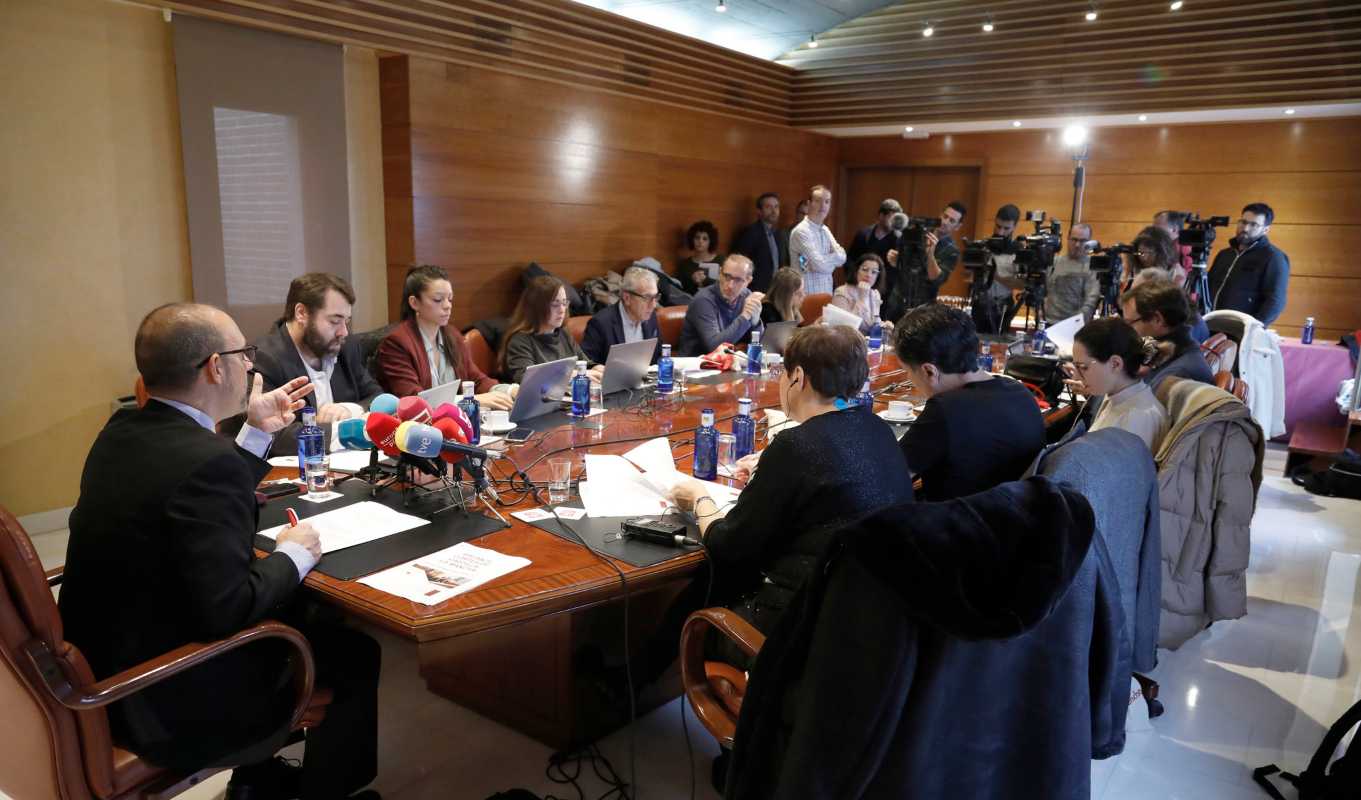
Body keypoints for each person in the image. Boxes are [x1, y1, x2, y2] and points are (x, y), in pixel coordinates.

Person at [59, 303, 380, 800]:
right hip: (168, 695)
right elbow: (226, 610)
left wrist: (255, 432)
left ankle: (256, 780)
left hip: (105, 666)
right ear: (215, 366)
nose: (251, 365)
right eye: (244, 354)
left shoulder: (119, 432)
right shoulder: (206, 463)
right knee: (354, 648)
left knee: (304, 606)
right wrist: (292, 555)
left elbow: (195, 493)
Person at [668, 325, 914, 648]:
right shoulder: (878, 429)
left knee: (715, 576)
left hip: (793, 635)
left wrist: (698, 497)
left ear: (797, 376)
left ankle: (624, 684)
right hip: (867, 627)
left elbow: (728, 547)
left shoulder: (796, 446)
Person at [895, 304, 1044, 501]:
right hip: (1010, 519)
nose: (909, 378)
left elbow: (889, 477)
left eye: (908, 371)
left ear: (929, 371)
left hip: (953, 524)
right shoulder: (1020, 392)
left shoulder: (945, 411)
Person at [249, 272, 383, 455]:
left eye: (346, 321)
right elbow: (270, 434)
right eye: (335, 321)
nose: (343, 331)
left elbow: (377, 397)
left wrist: (349, 409)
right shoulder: (264, 359)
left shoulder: (346, 346)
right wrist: (344, 432)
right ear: (301, 313)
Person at [375, 264, 515, 409]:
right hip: (418, 427)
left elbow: (476, 380)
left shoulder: (452, 335)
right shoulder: (396, 343)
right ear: (414, 303)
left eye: (450, 299)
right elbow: (413, 400)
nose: (447, 305)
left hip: (452, 422)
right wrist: (471, 400)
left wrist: (511, 390)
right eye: (438, 300)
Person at [1069, 317, 1170, 451]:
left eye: (1083, 367)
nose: (1076, 376)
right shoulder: (1117, 397)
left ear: (1115, 364)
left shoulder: (1137, 419)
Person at [499, 275, 605, 384]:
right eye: (555, 304)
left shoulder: (563, 333)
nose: (562, 310)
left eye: (564, 303)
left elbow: (584, 362)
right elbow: (527, 380)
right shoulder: (520, 341)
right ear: (537, 307)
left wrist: (597, 368)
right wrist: (574, 374)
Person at [1120, 278, 1215, 391]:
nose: (1127, 330)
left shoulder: (1178, 375)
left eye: (1129, 323)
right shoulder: (1165, 355)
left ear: (1157, 320)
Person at [1207, 202, 1291, 324]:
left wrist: (1254, 328)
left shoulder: (1273, 257)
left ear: (1265, 230)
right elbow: (1208, 285)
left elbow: (1276, 301)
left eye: (1254, 225)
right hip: (1211, 322)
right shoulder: (1224, 254)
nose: (1245, 228)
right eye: (1243, 222)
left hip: (1242, 329)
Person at [885, 200, 965, 322]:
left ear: (958, 226)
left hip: (922, 307)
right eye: (945, 216)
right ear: (940, 215)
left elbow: (936, 278)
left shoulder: (952, 251)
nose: (945, 222)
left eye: (952, 221)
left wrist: (930, 253)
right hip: (897, 300)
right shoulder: (918, 232)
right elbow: (900, 261)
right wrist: (896, 259)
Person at [678, 254, 765, 356]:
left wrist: (755, 323)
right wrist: (745, 317)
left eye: (738, 280)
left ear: (748, 281)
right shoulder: (703, 300)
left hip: (728, 364)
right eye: (727, 277)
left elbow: (760, 345)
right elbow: (715, 347)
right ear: (720, 273)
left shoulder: (747, 296)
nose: (730, 285)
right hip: (696, 365)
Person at [580, 265, 663, 364]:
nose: (653, 305)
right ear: (627, 298)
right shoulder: (600, 323)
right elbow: (587, 364)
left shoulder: (651, 317)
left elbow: (659, 355)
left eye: (655, 297)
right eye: (647, 298)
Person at [972, 203, 1021, 334]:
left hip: (1002, 307)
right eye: (998, 226)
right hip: (980, 304)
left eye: (1006, 228)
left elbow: (1022, 285)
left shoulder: (1018, 250)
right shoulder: (984, 245)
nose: (1000, 232)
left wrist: (994, 274)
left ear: (1015, 226)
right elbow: (967, 275)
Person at [788, 184, 845, 296]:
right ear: (809, 204)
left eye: (827, 202)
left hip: (826, 293)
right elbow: (819, 265)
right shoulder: (801, 231)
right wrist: (833, 259)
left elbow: (843, 257)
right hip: (805, 297)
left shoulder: (825, 230)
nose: (823, 206)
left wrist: (825, 260)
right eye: (818, 201)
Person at [1038, 221, 1101, 323]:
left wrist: (1074, 324)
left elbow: (1091, 301)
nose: (1077, 245)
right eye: (1074, 240)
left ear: (1089, 242)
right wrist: (1040, 314)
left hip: (1075, 326)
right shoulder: (1054, 262)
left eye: (1082, 241)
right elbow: (1040, 292)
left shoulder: (1092, 267)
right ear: (1067, 239)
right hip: (1048, 323)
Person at [732, 192, 789, 292]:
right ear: (759, 211)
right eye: (768, 207)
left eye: (776, 207)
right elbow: (742, 263)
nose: (774, 211)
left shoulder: (780, 234)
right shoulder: (750, 233)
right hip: (755, 290)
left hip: (775, 290)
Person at [831, 252, 893, 335]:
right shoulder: (841, 292)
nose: (868, 275)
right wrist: (862, 299)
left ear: (878, 276)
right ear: (856, 271)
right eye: (864, 269)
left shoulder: (874, 294)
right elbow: (844, 329)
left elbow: (874, 324)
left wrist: (883, 326)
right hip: (848, 343)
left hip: (868, 343)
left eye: (874, 272)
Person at [847, 198, 903, 272]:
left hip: (887, 282)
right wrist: (854, 277)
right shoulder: (863, 234)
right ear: (881, 215)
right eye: (891, 218)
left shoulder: (899, 239)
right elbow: (850, 259)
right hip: (863, 280)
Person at [1124, 225, 1186, 290]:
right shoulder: (1136, 270)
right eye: (1141, 253)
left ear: (1162, 253)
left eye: (1150, 253)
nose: (1144, 258)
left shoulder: (1177, 274)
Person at [675, 219, 723, 296]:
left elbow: (725, 287)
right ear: (692, 240)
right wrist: (693, 282)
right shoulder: (685, 265)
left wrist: (706, 281)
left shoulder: (721, 261)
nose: (700, 241)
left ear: (711, 241)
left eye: (705, 239)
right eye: (697, 238)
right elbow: (680, 291)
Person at [1154, 209, 1194, 275]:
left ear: (1174, 229)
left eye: (1158, 229)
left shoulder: (1185, 247)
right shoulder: (1164, 244)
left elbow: (1186, 276)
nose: (1154, 232)